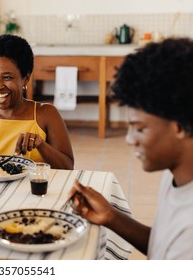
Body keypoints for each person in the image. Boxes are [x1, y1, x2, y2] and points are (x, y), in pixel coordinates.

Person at [69, 38, 193, 259]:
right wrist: (111, 216)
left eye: (140, 128)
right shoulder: (177, 175)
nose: (129, 139)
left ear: (180, 127)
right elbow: (163, 245)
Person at [0, 34, 74, 169]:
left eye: (7, 77)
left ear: (25, 79)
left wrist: (40, 144)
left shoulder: (46, 114)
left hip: (31, 189)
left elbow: (67, 166)